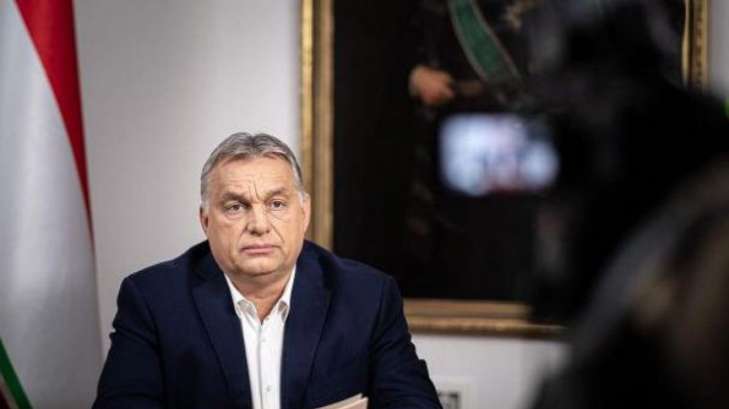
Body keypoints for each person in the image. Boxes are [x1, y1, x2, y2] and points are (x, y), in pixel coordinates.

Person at [93, 133, 441, 409]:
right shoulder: (154, 300)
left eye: (276, 204)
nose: (259, 225)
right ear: (206, 221)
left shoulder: (367, 296)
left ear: (303, 214)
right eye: (235, 207)